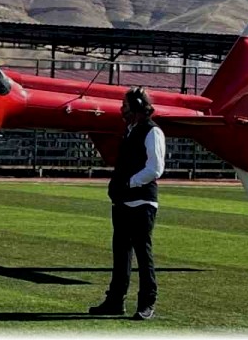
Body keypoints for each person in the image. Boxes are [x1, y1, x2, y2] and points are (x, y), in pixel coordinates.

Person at [90, 86, 165, 321]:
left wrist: (130, 183)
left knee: (143, 253)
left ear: (137, 108)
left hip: (142, 202)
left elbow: (155, 168)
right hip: (123, 201)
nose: (122, 109)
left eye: (125, 105)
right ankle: (115, 300)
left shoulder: (152, 132)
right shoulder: (131, 130)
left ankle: (147, 302)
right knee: (120, 253)